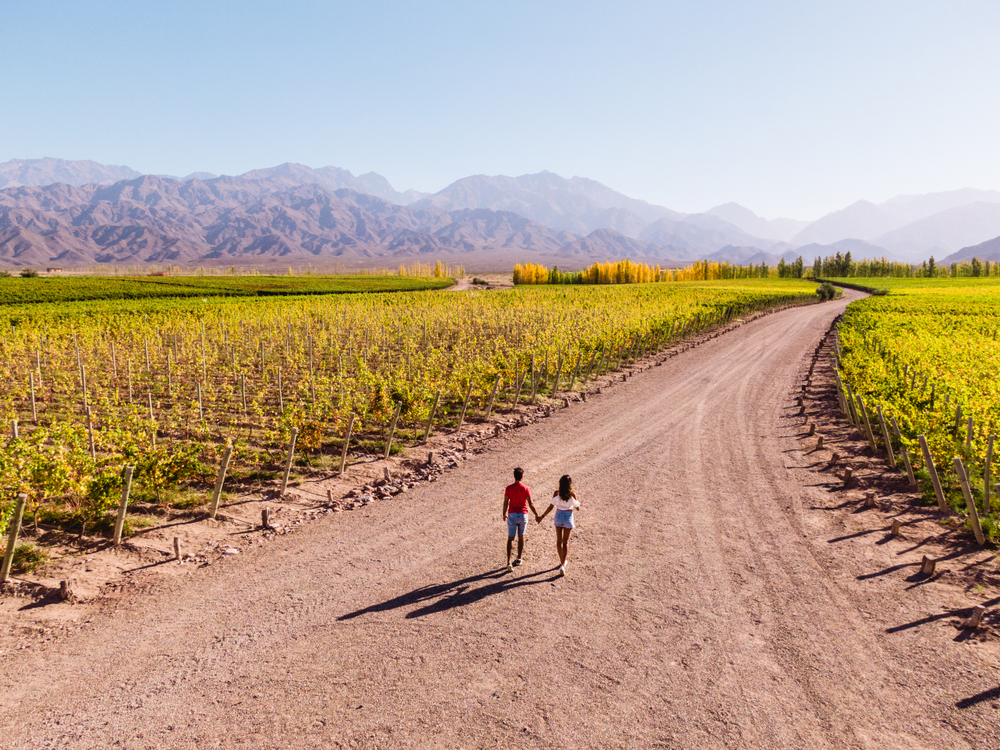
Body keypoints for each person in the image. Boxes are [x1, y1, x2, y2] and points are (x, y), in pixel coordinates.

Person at [535, 475, 580, 576]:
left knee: (559, 541)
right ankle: (563, 564)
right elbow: (577, 508)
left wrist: (542, 516)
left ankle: (561, 562)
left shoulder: (556, 493)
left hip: (558, 516)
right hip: (568, 516)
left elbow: (551, 507)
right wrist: (574, 503)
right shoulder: (572, 494)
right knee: (566, 542)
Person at [502, 467, 539, 572]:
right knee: (521, 536)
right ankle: (518, 558)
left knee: (511, 538)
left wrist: (504, 513)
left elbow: (505, 502)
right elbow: (530, 503)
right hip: (523, 514)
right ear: (522, 477)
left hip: (512, 514)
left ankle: (509, 562)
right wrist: (536, 514)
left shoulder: (508, 488)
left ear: (514, 476)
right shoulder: (526, 488)